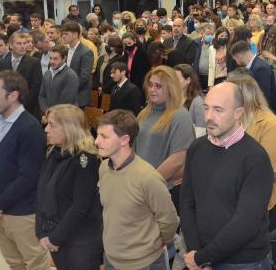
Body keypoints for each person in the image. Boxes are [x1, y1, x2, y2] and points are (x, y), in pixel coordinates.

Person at [180, 82, 274, 269]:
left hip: (242, 262)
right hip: (201, 256)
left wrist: (202, 258)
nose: (209, 117)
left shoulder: (256, 158)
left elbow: (245, 223)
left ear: (238, 113)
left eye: (218, 110)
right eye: (206, 108)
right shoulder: (196, 148)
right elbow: (187, 203)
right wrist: (196, 253)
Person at [0, 71, 52, 270]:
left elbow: (29, 176)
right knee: (14, 262)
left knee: (36, 263)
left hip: (22, 212)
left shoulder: (30, 128)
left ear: (13, 96)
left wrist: (0, 203)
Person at [95, 109, 179, 270]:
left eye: (104, 136)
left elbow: (170, 220)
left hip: (144, 263)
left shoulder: (147, 177)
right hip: (112, 259)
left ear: (124, 140)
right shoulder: (104, 168)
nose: (96, 141)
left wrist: (154, 245)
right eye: (98, 135)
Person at [227, 72, 276, 261]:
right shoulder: (232, 121)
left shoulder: (271, 125)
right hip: (234, 198)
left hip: (263, 203)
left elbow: (271, 171)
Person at [36, 105, 103, 270]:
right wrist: (42, 232)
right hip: (56, 235)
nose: (46, 129)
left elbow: (81, 206)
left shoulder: (85, 160)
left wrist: (55, 238)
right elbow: (41, 193)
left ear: (69, 129)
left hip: (79, 241)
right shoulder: (54, 152)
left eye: (52, 125)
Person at [136, 66, 195, 210]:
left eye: (158, 86)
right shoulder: (144, 113)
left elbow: (178, 159)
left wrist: (148, 185)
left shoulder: (180, 116)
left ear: (170, 88)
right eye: (150, 85)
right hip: (140, 186)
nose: (152, 89)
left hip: (164, 190)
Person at [0, 31, 43, 118]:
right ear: (10, 45)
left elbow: (35, 88)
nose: (23, 46)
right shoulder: (2, 63)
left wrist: (18, 106)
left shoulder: (34, 62)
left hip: (28, 110)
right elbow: (0, 86)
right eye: (19, 43)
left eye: (24, 43)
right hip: (7, 109)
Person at [231, 40, 276, 112]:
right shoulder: (255, 65)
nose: (236, 62)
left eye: (235, 59)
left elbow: (264, 95)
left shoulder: (261, 68)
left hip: (264, 112)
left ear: (239, 55)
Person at [61, 22, 94, 107]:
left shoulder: (86, 52)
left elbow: (84, 77)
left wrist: (68, 89)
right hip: (65, 96)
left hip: (79, 97)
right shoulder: (65, 50)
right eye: (62, 34)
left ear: (75, 34)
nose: (63, 36)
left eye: (66, 34)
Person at [38, 45, 79, 112]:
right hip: (49, 115)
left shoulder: (71, 76)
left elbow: (65, 102)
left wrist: (50, 114)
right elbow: (42, 96)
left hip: (65, 116)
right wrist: (46, 112)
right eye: (50, 58)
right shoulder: (47, 73)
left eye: (55, 59)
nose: (52, 61)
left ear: (64, 58)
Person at [174, 64, 205, 137]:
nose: (173, 81)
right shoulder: (173, 98)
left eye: (176, 78)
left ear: (188, 80)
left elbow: (200, 133)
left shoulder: (198, 102)